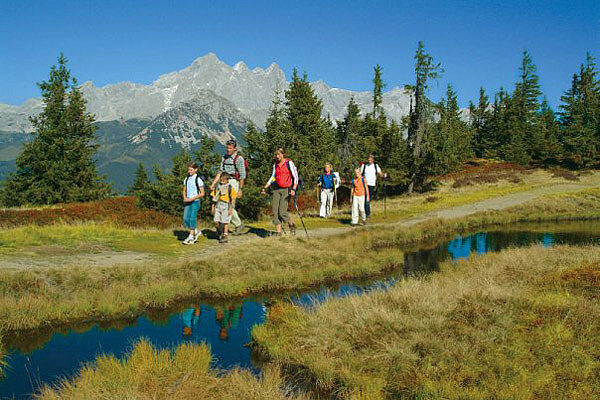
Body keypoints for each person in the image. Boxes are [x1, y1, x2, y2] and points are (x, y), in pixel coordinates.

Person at [210, 139, 246, 235]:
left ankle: (224, 228)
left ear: (235, 149)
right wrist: (213, 184)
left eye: (230, 148)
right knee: (221, 204)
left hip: (233, 182)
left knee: (229, 205)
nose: (228, 150)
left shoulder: (239, 159)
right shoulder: (224, 158)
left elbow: (242, 175)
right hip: (223, 182)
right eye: (227, 148)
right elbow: (221, 171)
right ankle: (237, 224)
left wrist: (240, 190)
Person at [261, 148, 298, 236]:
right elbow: (273, 177)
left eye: (279, 154)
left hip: (286, 189)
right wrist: (265, 187)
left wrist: (294, 189)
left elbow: (295, 176)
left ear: (283, 154)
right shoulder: (276, 164)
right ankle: (278, 232)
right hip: (276, 189)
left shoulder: (289, 163)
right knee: (275, 210)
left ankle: (291, 224)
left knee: (282, 212)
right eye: (276, 155)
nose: (277, 156)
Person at [182, 163, 205, 245]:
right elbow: (184, 189)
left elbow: (202, 193)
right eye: (188, 169)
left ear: (196, 170)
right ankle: (195, 231)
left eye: (191, 170)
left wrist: (192, 198)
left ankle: (191, 236)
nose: (189, 171)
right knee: (185, 219)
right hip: (188, 201)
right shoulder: (186, 179)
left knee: (192, 218)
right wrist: (184, 197)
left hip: (195, 201)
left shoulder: (198, 180)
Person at [211, 172, 237, 243]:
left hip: (226, 205)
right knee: (216, 221)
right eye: (221, 180)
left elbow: (233, 199)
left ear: (227, 180)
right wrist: (212, 207)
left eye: (224, 180)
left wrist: (231, 208)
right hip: (218, 204)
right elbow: (214, 197)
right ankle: (220, 232)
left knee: (225, 222)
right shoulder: (217, 187)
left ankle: (225, 235)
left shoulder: (230, 187)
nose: (222, 182)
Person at [360, 154, 385, 218]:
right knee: (366, 199)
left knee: (368, 198)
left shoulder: (376, 166)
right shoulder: (364, 166)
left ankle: (365, 212)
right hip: (365, 184)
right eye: (368, 159)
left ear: (373, 160)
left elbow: (380, 173)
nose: (369, 160)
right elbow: (359, 174)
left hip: (372, 184)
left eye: (370, 159)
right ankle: (367, 213)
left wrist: (384, 175)